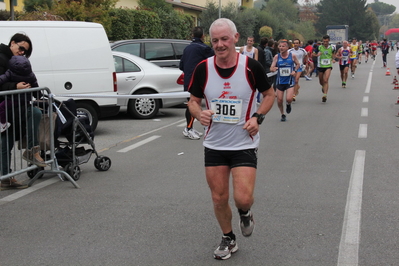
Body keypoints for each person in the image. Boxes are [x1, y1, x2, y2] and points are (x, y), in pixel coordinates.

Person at [187, 18, 275, 260]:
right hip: (214, 143)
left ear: (235, 38)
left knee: (242, 197)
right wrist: (199, 113)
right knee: (218, 197)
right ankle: (228, 237)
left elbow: (269, 95)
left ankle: (245, 212)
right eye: (214, 40)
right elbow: (193, 101)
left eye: (224, 39)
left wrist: (257, 117)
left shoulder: (250, 66)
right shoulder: (203, 68)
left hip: (244, 142)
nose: (219, 44)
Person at [0, 33, 43, 189]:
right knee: (35, 113)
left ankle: (6, 177)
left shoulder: (16, 61)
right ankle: (32, 151)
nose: (22, 52)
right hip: (5, 107)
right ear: (12, 43)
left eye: (25, 51)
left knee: (6, 141)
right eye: (21, 48)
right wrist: (15, 87)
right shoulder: (2, 58)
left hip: (13, 106)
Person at [179, 27, 214, 140]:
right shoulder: (204, 48)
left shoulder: (187, 49)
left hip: (189, 80)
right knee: (195, 104)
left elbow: (181, 65)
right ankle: (188, 129)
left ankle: (191, 128)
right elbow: (215, 62)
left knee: (192, 103)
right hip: (201, 81)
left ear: (192, 35)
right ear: (203, 36)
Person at [271, 39, 300, 121]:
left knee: (289, 99)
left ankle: (288, 104)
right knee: (279, 100)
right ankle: (282, 114)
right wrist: (274, 68)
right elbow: (271, 67)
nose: (281, 48)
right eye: (280, 46)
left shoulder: (292, 56)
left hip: (289, 81)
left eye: (283, 46)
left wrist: (295, 71)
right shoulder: (277, 57)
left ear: (287, 47)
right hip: (280, 81)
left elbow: (298, 64)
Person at [313, 35, 336, 102]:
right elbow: (312, 54)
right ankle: (323, 86)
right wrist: (317, 55)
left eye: (326, 41)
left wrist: (333, 59)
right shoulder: (319, 47)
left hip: (328, 65)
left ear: (329, 41)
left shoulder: (332, 47)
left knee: (326, 80)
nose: (325, 42)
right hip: (320, 65)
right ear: (322, 41)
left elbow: (333, 54)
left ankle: (325, 95)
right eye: (324, 41)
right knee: (321, 81)